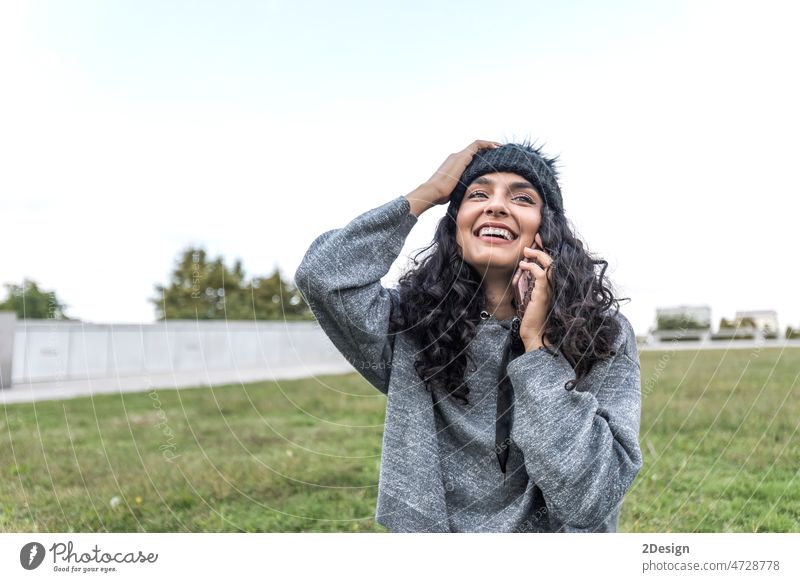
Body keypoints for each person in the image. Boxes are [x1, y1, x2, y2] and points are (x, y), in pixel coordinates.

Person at [294, 139, 643, 533]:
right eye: (477, 194)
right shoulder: (412, 325)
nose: (496, 206)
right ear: (455, 224)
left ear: (548, 231)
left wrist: (538, 348)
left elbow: (588, 500)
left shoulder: (603, 334)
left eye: (522, 198)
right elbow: (322, 275)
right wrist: (429, 192)